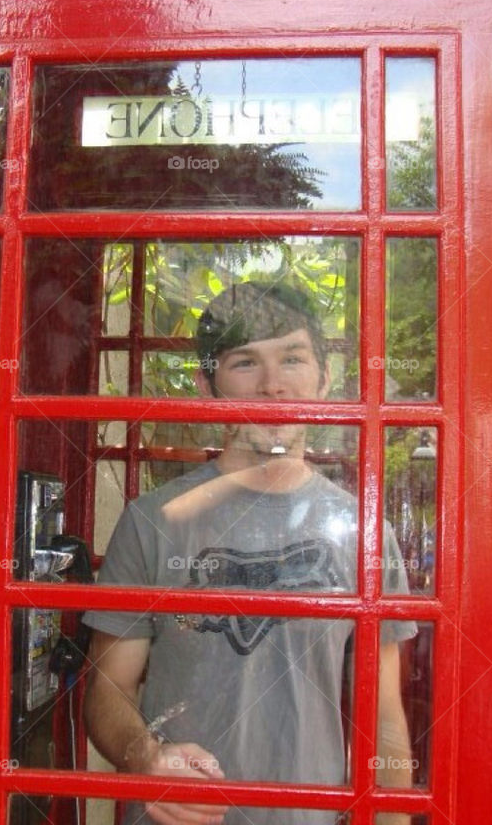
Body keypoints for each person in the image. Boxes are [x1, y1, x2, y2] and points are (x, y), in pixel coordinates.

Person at [83, 282, 416, 825]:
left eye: (292, 359)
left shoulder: (365, 533)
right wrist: (146, 757)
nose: (272, 385)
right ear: (207, 386)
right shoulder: (153, 522)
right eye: (244, 362)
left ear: (324, 381)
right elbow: (107, 687)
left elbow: (383, 718)